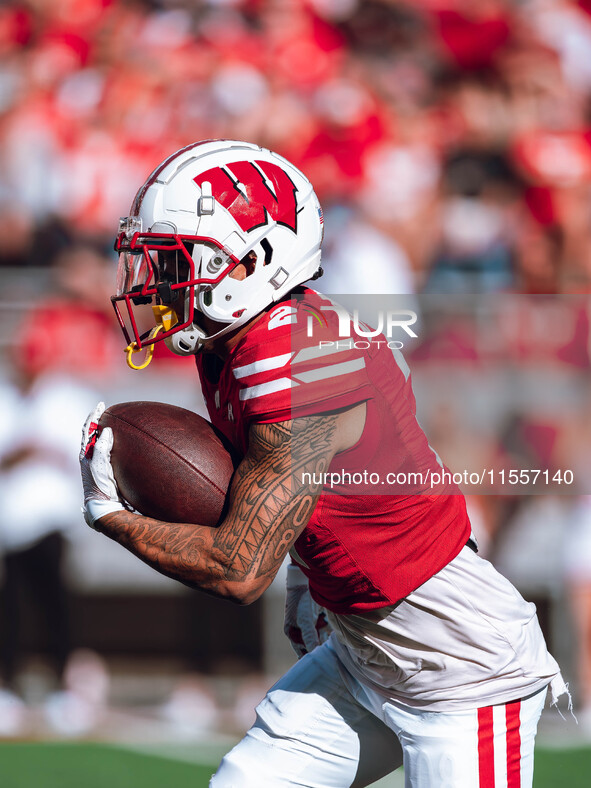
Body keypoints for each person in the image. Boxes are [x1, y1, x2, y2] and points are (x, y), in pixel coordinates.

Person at [80, 140, 567, 787]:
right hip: (364, 649)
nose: (161, 282)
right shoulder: (237, 340)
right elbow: (313, 486)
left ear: (252, 261)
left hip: (459, 668)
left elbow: (237, 568)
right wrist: (310, 583)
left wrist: (110, 514)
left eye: (177, 262)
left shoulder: (299, 360)